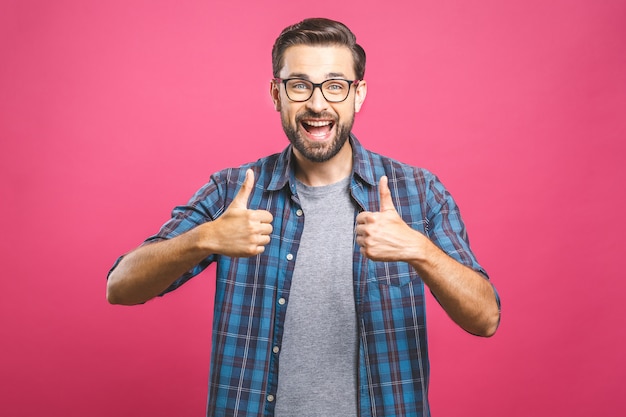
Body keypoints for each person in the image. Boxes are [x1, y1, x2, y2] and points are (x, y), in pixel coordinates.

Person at [107, 17, 500, 417]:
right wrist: (203, 237)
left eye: (335, 85)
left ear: (358, 94)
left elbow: (486, 318)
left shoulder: (417, 192)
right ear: (277, 94)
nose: (317, 104)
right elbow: (120, 286)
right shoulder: (234, 191)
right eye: (299, 85)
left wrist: (420, 250)